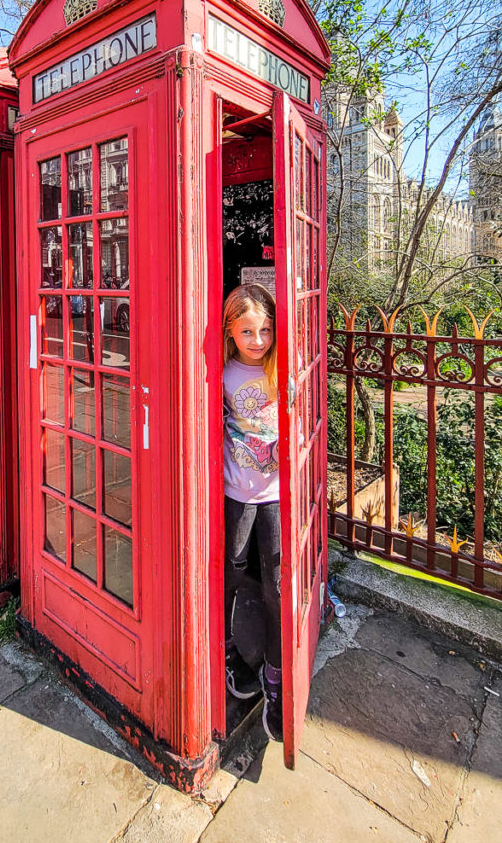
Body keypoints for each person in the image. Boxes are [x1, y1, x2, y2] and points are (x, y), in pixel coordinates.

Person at [222, 282, 282, 742]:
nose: (258, 340)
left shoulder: (282, 371)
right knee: (233, 570)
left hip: (277, 491)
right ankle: (234, 653)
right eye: (248, 331)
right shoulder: (222, 375)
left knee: (277, 582)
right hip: (237, 490)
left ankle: (276, 676)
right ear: (231, 332)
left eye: (265, 330)